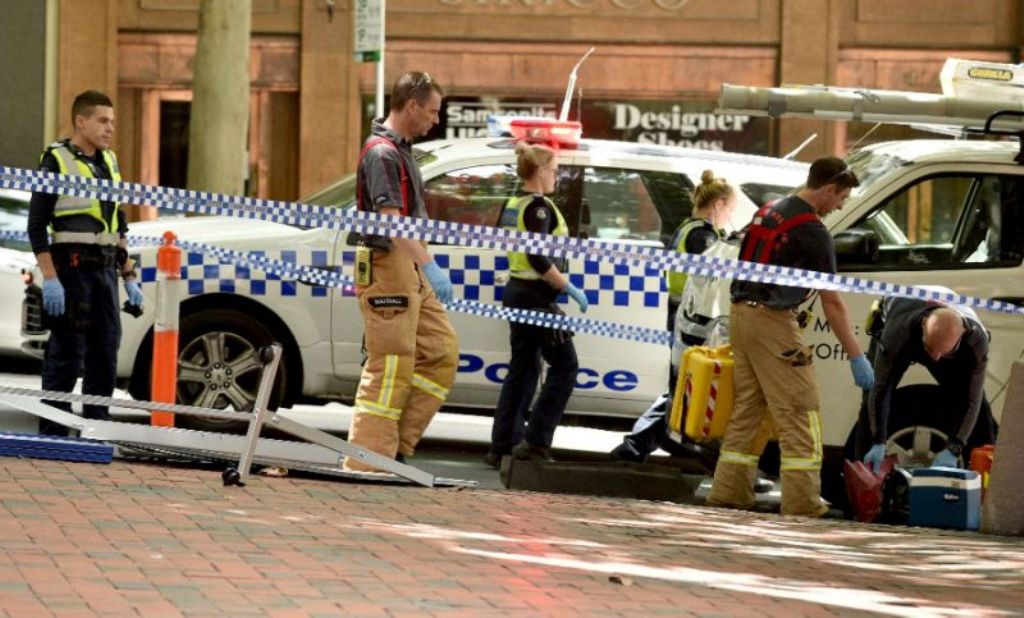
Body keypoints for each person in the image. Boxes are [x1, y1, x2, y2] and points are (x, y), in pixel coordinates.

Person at [707, 156, 874, 518]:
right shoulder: (811, 229)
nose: (842, 205)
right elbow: (831, 300)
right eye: (842, 197)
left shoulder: (770, 210)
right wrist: (855, 354)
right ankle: (803, 504)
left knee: (748, 409)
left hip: (741, 315)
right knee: (800, 409)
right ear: (829, 189)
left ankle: (728, 494)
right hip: (772, 320)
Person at [343, 72, 459, 471]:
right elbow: (392, 224)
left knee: (440, 353)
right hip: (390, 264)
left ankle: (397, 450)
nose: (435, 120)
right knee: (390, 365)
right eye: (431, 110)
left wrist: (423, 264)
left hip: (409, 263)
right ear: (411, 105)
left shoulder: (400, 149)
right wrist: (428, 264)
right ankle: (368, 464)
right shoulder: (383, 154)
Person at [27, 90, 143, 436]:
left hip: (105, 272)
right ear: (81, 121)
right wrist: (50, 278)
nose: (110, 128)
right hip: (71, 271)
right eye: (103, 120)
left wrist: (129, 274)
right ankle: (55, 433)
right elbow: (36, 225)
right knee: (67, 354)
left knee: (105, 352)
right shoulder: (56, 161)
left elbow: (117, 223)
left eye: (112, 121)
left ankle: (96, 430)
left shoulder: (108, 162)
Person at [609, 170, 737, 463]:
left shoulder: (687, 227)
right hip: (692, 321)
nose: (730, 216)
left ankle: (666, 447)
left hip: (683, 316)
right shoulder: (702, 236)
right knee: (682, 388)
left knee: (681, 387)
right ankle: (636, 447)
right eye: (730, 209)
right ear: (718, 205)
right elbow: (716, 276)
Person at [486, 142, 588, 466]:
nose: (557, 176)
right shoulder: (538, 208)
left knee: (523, 370)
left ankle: (504, 445)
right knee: (565, 367)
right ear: (541, 172)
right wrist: (568, 286)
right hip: (534, 296)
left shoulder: (517, 203)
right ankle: (536, 442)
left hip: (520, 291)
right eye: (555, 170)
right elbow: (536, 255)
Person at [858, 287, 995, 473]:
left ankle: (985, 479)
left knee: (979, 410)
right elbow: (881, 388)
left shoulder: (976, 340)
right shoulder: (898, 331)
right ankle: (864, 476)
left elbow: (972, 398)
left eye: (943, 353)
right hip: (903, 321)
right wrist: (878, 440)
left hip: (943, 337)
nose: (935, 358)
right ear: (923, 325)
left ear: (961, 335)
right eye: (930, 350)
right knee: (870, 402)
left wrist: (955, 446)